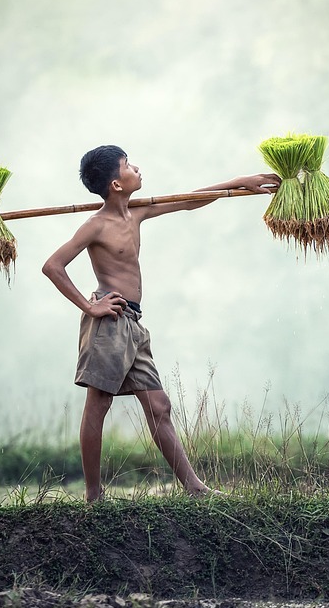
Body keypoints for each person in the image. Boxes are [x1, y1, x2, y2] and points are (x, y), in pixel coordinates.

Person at [42, 144, 280, 502]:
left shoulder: (135, 212)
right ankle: (94, 494)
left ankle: (195, 488)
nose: (135, 168)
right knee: (99, 403)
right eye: (127, 165)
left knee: (158, 407)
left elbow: (189, 200)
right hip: (109, 321)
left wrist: (241, 182)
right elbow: (53, 266)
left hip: (133, 323)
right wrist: (91, 308)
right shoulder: (95, 226)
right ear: (116, 184)